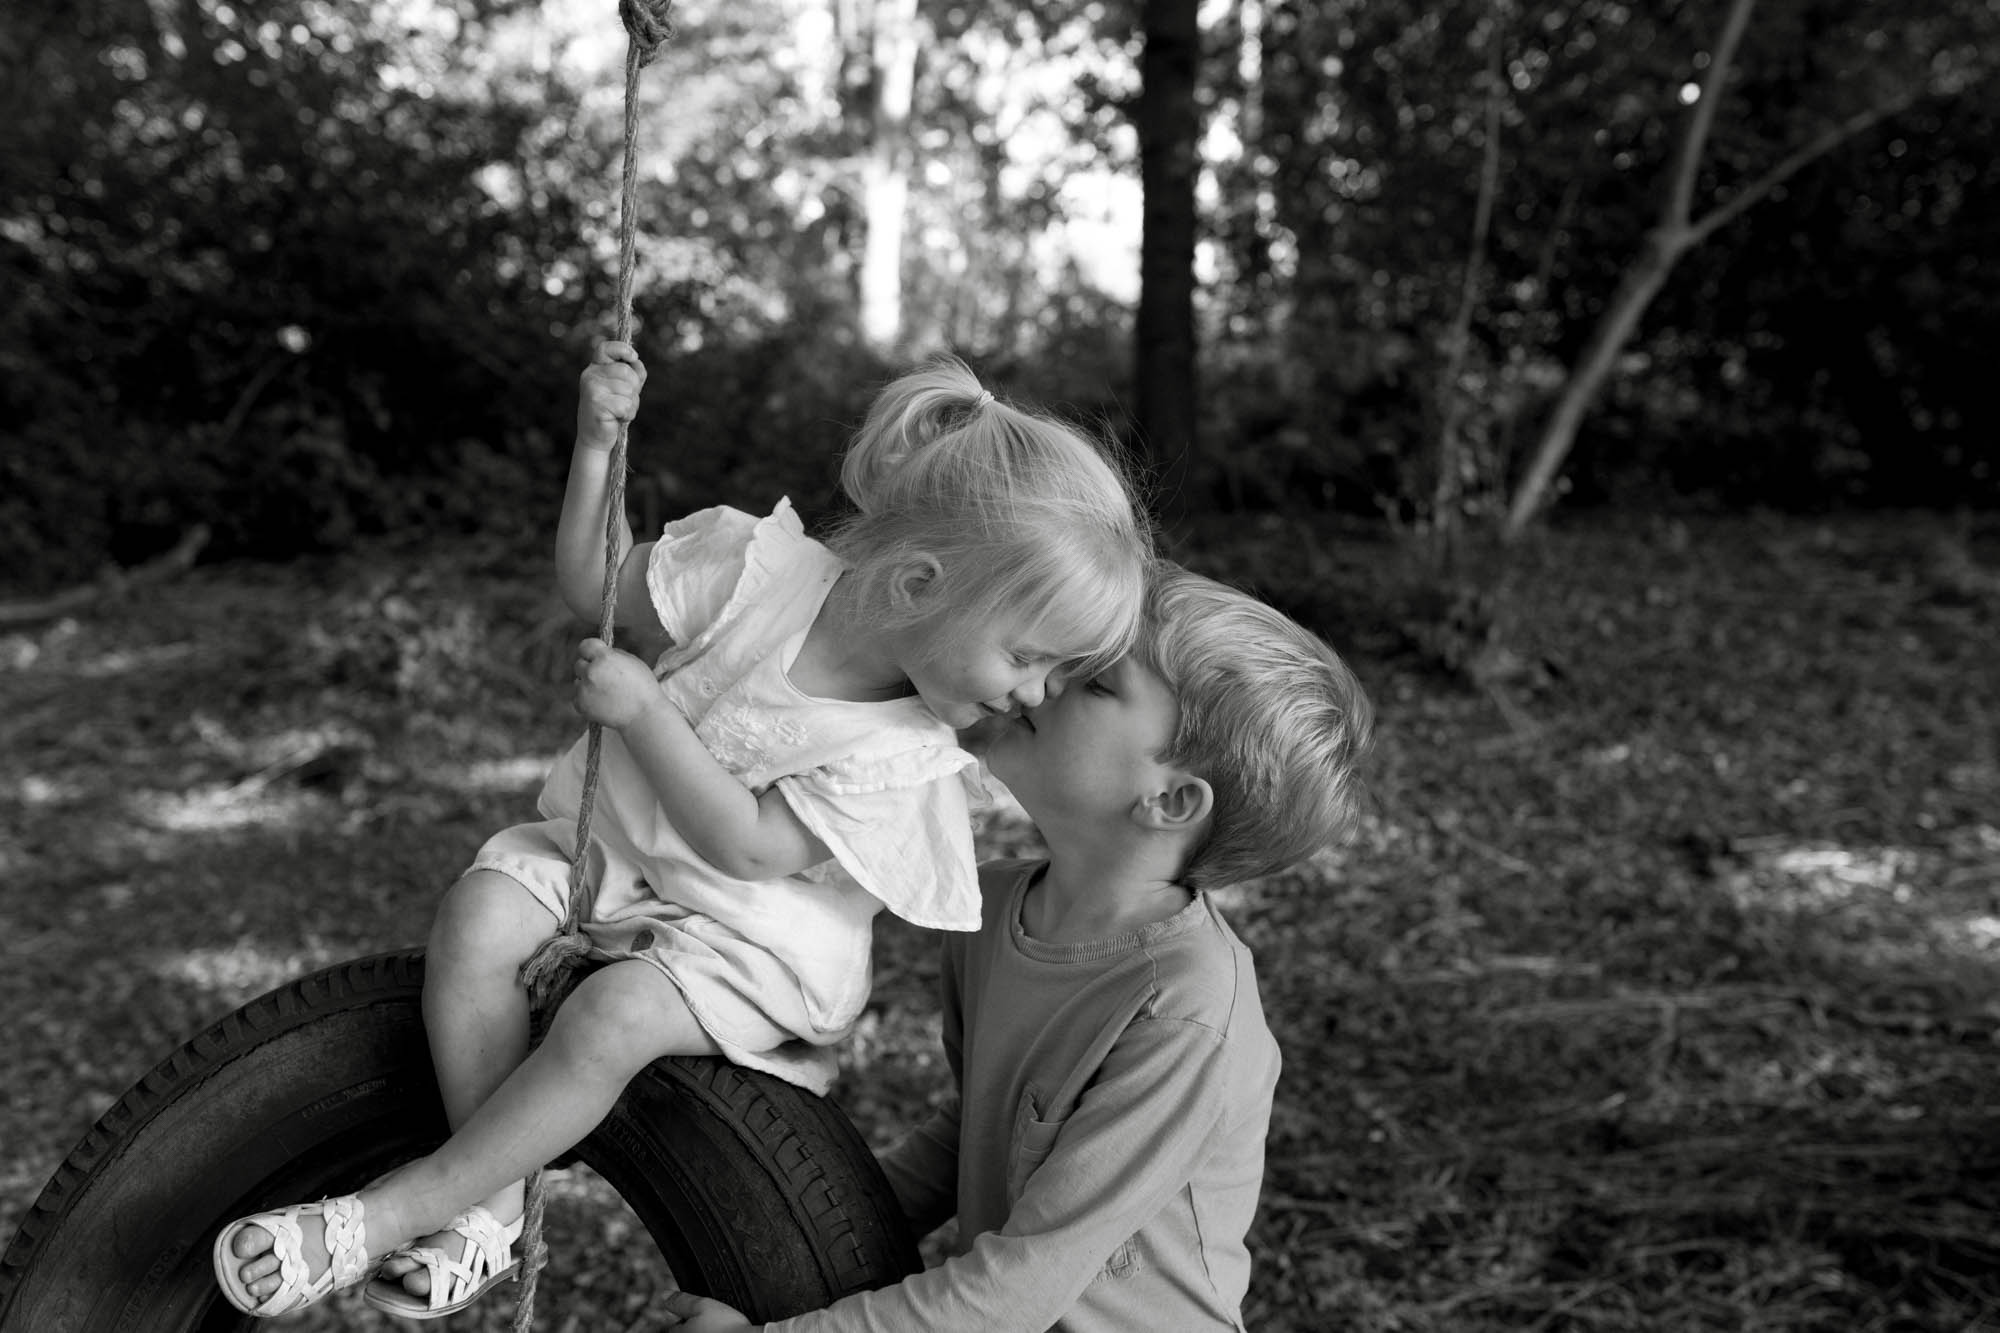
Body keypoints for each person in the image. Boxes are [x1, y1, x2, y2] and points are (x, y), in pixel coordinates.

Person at [211, 340, 1153, 1319]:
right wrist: (591, 450)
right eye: (1030, 657)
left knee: (609, 1017)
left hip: (748, 936)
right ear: (921, 584)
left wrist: (648, 714)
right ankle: (486, 1206)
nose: (1036, 695)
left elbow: (749, 847)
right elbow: (596, 585)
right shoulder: (751, 570)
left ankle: (387, 1210)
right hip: (619, 862)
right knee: (477, 917)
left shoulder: (904, 752)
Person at [658, 560, 1376, 1333]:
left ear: (1169, 800)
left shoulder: (1184, 1016)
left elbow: (1015, 1292)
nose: (1041, 682)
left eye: (1095, 682)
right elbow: (978, 1131)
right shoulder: (996, 905)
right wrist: (794, 1241)